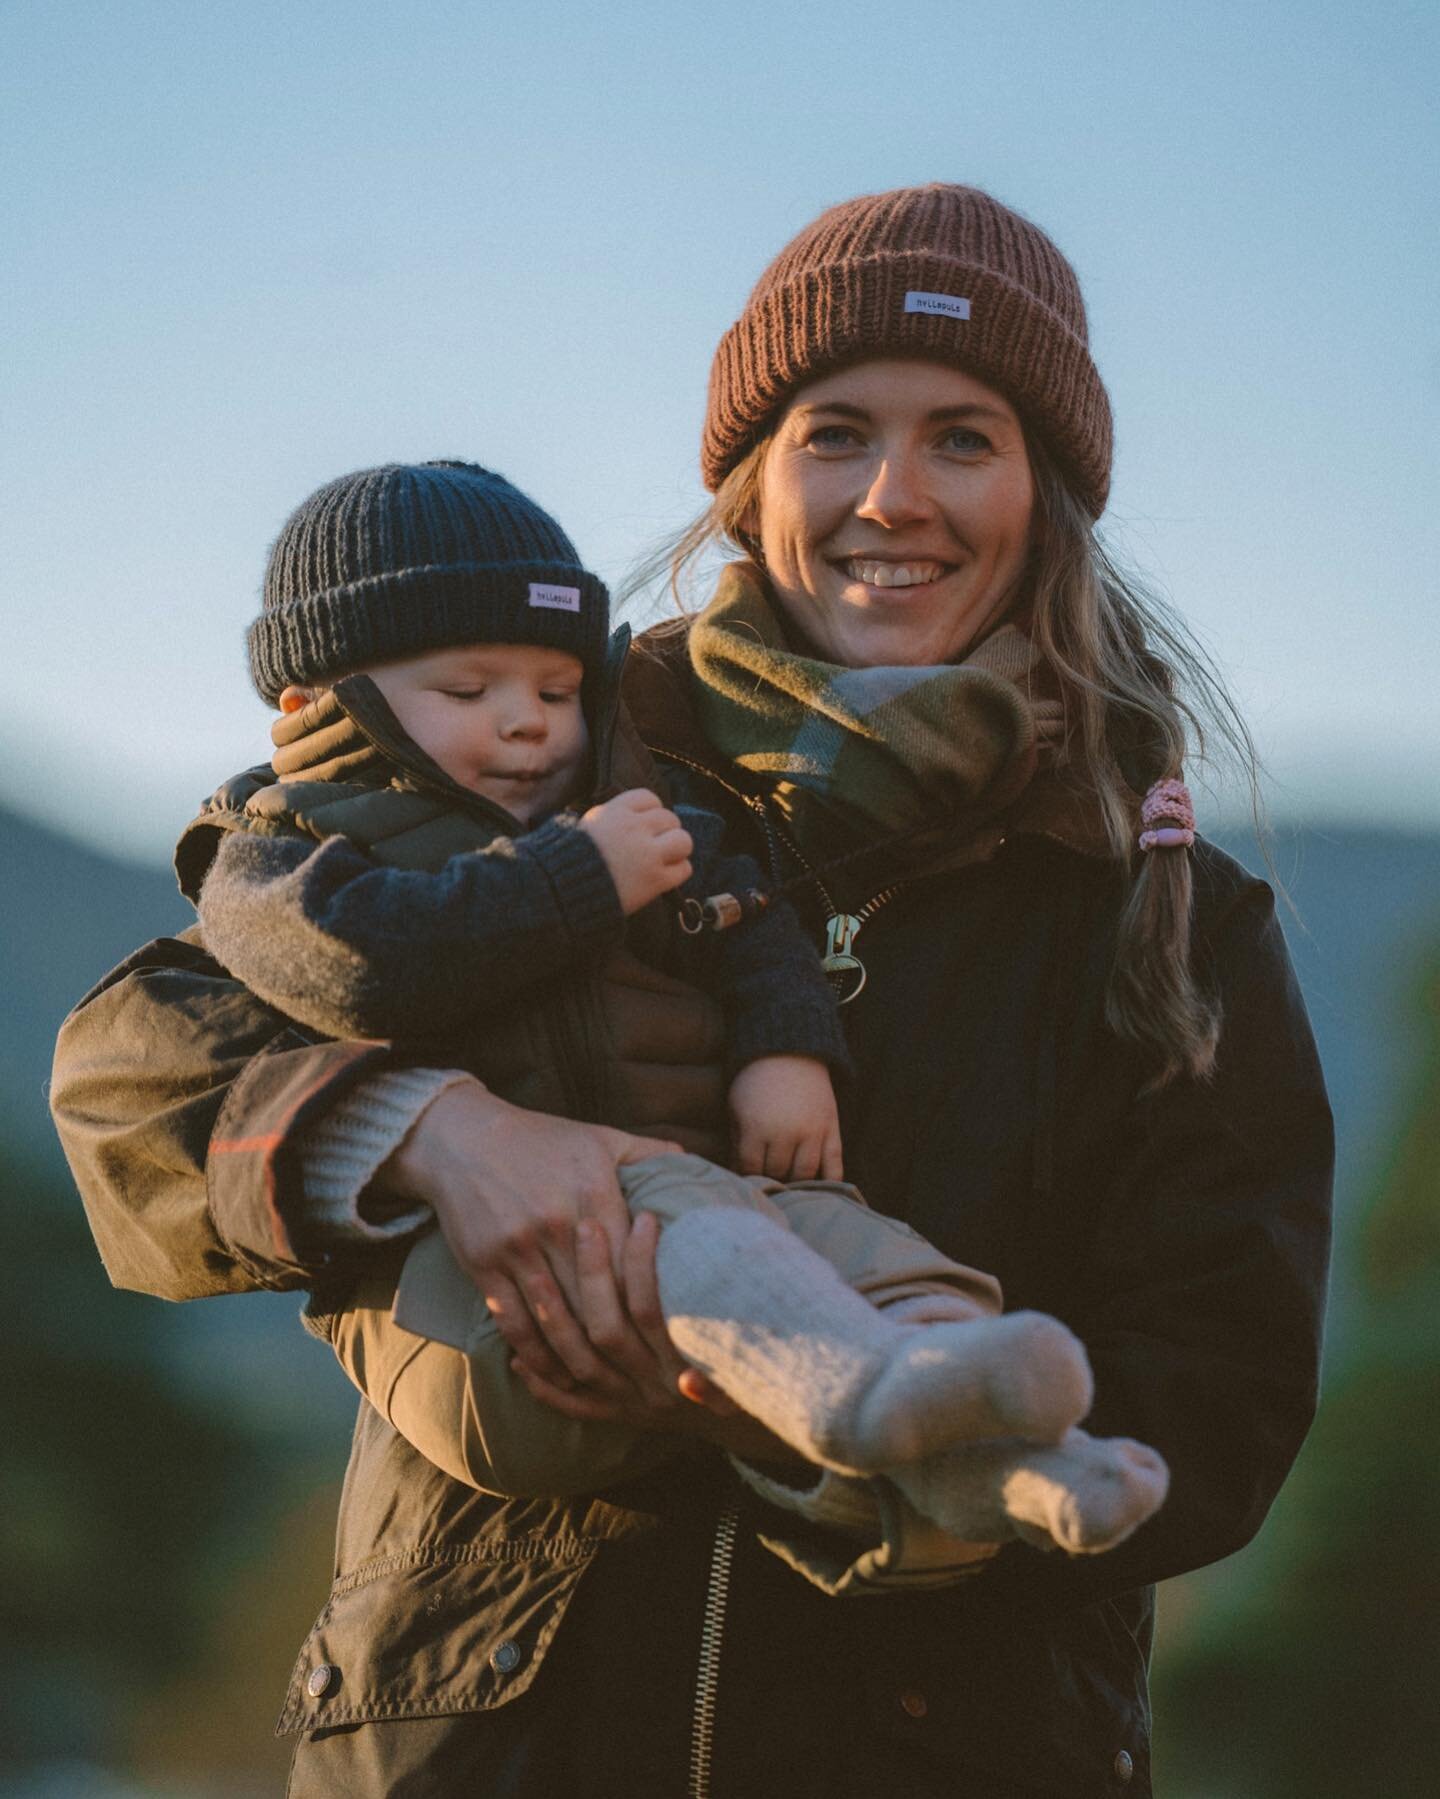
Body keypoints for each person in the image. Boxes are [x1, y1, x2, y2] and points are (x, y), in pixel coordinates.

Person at [51, 183, 1332, 1798]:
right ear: (747, 484)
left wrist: (776, 1401)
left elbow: (1207, 1416)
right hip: (487, 1739)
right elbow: (128, 1075)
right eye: (834, 431)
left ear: (1047, 490)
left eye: (964, 437)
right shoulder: (521, 779)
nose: (893, 495)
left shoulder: (1164, 909)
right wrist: (424, 1125)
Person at [184, 454, 1160, 1543]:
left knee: (837, 1230)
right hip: (486, 1321)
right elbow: (361, 966)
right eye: (470, 691)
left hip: (701, 1232)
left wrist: (785, 1049)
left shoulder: (630, 809)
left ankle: (1006, 1459)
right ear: (317, 701)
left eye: (557, 691)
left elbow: (747, 917)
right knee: (683, 1206)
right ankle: (870, 1391)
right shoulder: (282, 850)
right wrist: (574, 881)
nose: (528, 724)